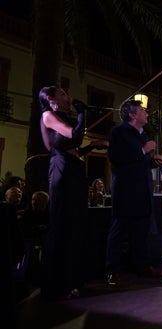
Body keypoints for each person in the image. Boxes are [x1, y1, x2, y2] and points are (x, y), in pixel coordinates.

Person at [38, 86, 95, 300]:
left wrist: (93, 147)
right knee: (62, 223)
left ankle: (74, 280)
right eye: (62, 94)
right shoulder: (48, 115)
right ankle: (58, 283)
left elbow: (76, 146)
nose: (68, 96)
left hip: (73, 166)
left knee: (76, 224)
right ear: (51, 99)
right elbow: (74, 135)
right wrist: (82, 113)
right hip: (61, 168)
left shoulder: (61, 116)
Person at [105, 99, 162, 287]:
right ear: (132, 115)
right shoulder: (118, 132)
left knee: (141, 233)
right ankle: (112, 271)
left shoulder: (142, 134)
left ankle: (143, 266)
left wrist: (153, 161)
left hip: (143, 192)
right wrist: (143, 150)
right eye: (142, 110)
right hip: (126, 192)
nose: (146, 113)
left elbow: (140, 162)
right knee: (119, 233)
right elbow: (117, 158)